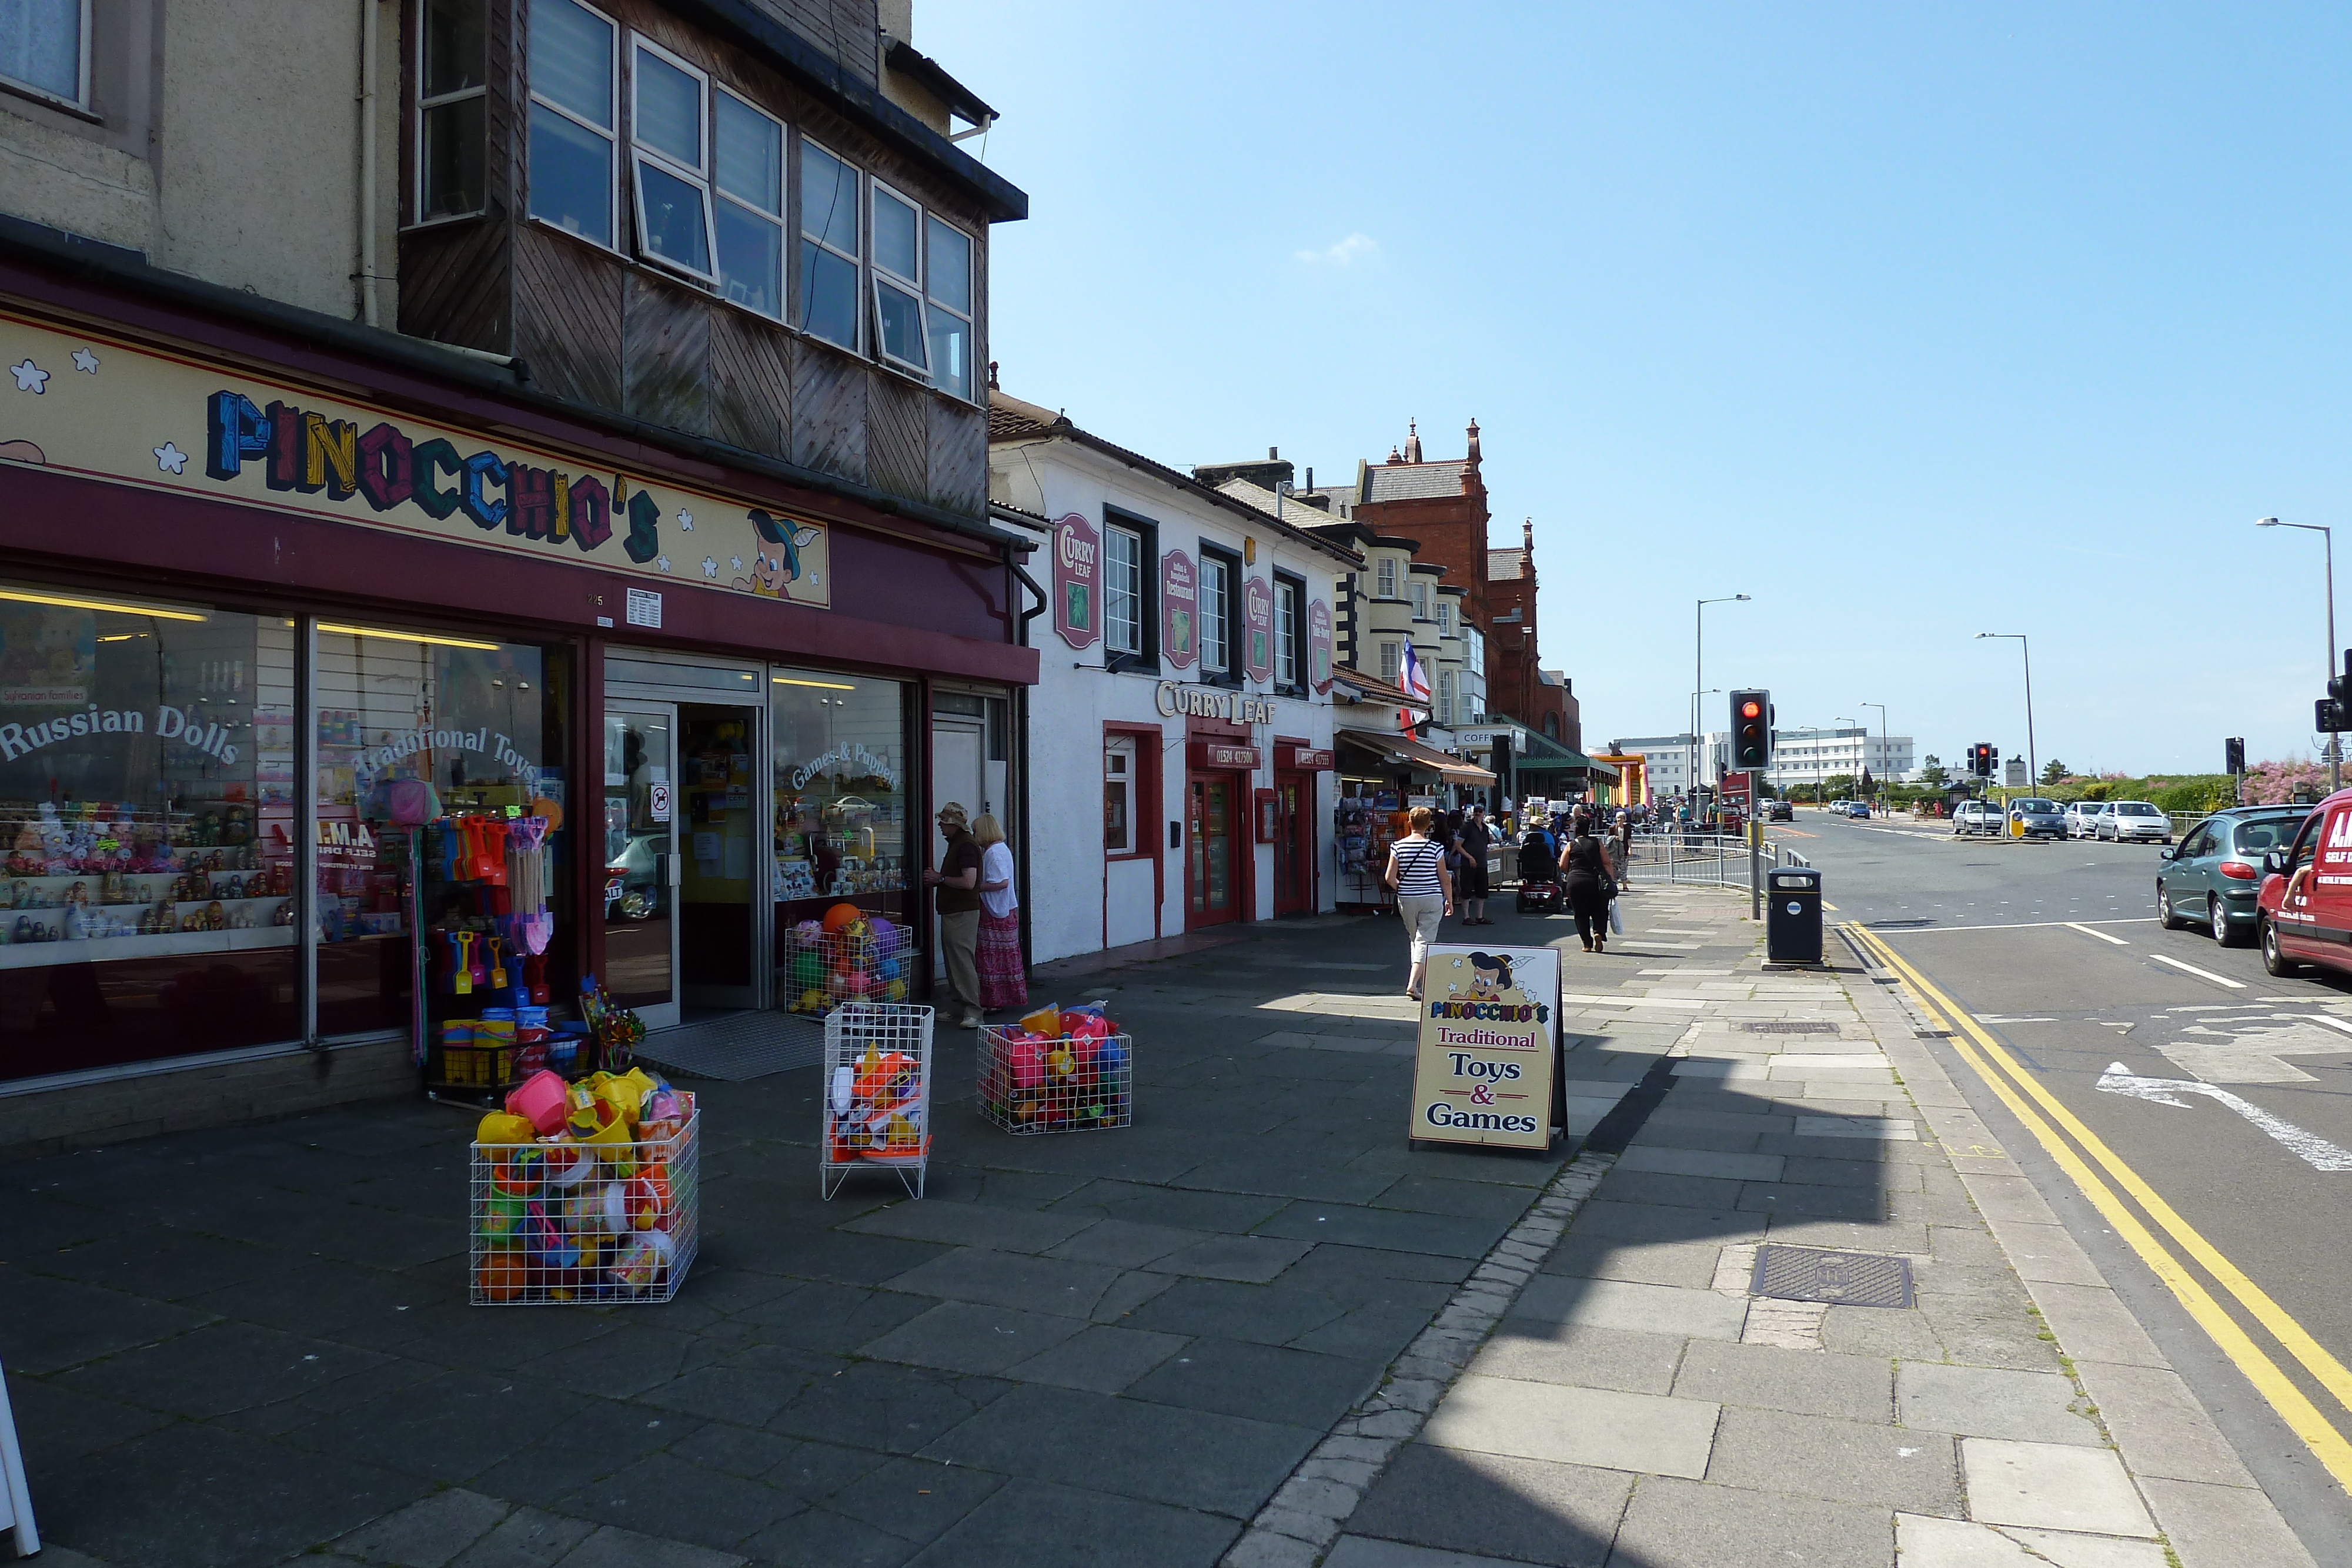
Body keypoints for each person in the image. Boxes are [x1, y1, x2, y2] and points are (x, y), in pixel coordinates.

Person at [921, 801, 984, 1027]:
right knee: (954, 961)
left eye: (944, 821)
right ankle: (959, 1006)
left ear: (954, 825)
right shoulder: (959, 844)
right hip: (954, 911)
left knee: (962, 961)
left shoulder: (965, 846)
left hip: (962, 913)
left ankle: (973, 1011)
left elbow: (969, 882)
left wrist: (940, 879)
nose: (940, 825)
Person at [1384, 805, 1453, 1001]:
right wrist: (1449, 900)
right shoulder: (1435, 848)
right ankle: (1413, 984)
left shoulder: (1398, 846)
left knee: (1415, 938)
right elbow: (1444, 878)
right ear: (1429, 825)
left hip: (1407, 898)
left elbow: (1389, 877)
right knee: (1424, 940)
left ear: (1409, 823)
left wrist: (1403, 889)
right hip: (1431, 897)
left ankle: (1418, 979)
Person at [970, 814, 1028, 1012]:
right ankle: (1001, 997)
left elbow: (1001, 882)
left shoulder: (993, 854)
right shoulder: (1002, 849)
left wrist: (976, 887)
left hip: (995, 912)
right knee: (1005, 957)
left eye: (976, 831)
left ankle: (993, 1000)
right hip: (1005, 909)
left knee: (990, 957)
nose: (974, 835)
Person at [1558, 819, 1616, 953]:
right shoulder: (1597, 843)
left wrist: (1572, 873)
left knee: (1580, 913)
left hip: (1576, 882)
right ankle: (1599, 932)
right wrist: (1611, 880)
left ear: (1576, 829)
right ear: (1589, 828)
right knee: (1600, 909)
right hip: (1596, 882)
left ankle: (1587, 944)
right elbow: (1607, 863)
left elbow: (1562, 864)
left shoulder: (1571, 845)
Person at [1456, 805, 1493, 925]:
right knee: (1466, 890)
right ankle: (1466, 917)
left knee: (1482, 891)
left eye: (1480, 812)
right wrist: (1470, 857)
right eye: (1475, 812)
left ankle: (1480, 916)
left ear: (1484, 814)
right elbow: (1458, 845)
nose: (1477, 814)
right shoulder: (1467, 827)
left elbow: (1486, 843)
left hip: (1482, 863)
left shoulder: (1486, 828)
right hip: (1468, 864)